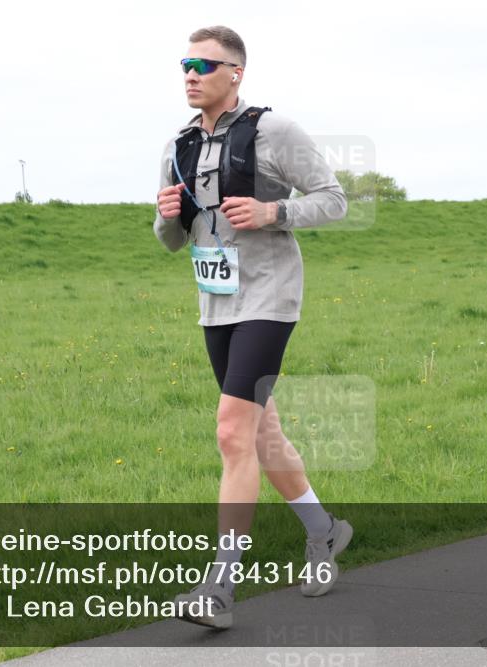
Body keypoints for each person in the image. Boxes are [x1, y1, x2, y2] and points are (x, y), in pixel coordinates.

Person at [153, 25, 352, 629]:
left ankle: (219, 589)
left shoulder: (275, 131)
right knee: (263, 435)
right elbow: (169, 240)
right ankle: (325, 530)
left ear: (235, 73)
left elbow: (334, 199)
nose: (191, 74)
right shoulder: (179, 144)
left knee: (232, 432)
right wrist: (167, 217)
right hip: (216, 302)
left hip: (269, 298)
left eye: (204, 65)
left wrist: (272, 211)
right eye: (185, 64)